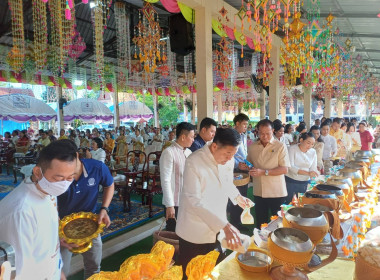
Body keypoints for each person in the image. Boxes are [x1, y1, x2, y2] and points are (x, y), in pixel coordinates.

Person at [176, 128, 253, 275]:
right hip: (194, 230)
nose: (230, 159)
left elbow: (227, 183)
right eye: (228, 154)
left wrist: (238, 197)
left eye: (234, 154)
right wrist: (224, 225)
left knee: (215, 270)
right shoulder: (194, 162)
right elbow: (194, 200)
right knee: (192, 272)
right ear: (215, 146)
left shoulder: (228, 161)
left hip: (218, 227)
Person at [0, 140, 77, 280]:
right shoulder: (21, 213)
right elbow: (19, 274)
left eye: (70, 177)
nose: (64, 184)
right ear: (37, 172)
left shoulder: (48, 190)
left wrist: (59, 271)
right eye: (59, 178)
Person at [58, 142, 114, 279]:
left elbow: (109, 185)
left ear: (77, 156)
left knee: (94, 266)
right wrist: (57, 228)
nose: (67, 174)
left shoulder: (97, 167)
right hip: (62, 227)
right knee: (60, 270)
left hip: (90, 224)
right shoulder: (57, 175)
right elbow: (48, 201)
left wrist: (104, 209)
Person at [244, 119, 290, 228]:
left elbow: (284, 169)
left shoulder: (280, 146)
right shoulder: (253, 147)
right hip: (259, 191)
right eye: (261, 133)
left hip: (276, 191)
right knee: (261, 221)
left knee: (277, 222)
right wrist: (245, 166)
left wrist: (264, 172)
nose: (264, 136)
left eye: (268, 133)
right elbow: (249, 164)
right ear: (257, 132)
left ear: (273, 131)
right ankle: (259, 243)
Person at [159, 122, 195, 232]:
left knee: (186, 231)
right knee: (174, 232)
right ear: (183, 137)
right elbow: (165, 180)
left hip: (187, 200)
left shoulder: (188, 152)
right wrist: (170, 205)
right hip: (175, 202)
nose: (193, 140)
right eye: (192, 137)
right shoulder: (169, 153)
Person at [285, 132, 319, 204]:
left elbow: (313, 167)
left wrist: (313, 173)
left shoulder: (313, 152)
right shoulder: (292, 149)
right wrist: (308, 173)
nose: (310, 146)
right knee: (290, 203)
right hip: (291, 180)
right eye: (308, 143)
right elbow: (290, 167)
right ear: (301, 140)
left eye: (312, 144)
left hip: (305, 181)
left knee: (303, 202)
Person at [229, 113, 250, 231]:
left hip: (243, 169)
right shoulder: (231, 136)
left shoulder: (243, 135)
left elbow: (243, 154)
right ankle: (234, 223)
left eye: (247, 124)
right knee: (235, 197)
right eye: (244, 124)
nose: (246, 127)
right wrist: (238, 165)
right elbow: (229, 154)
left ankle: (239, 222)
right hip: (235, 169)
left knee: (243, 196)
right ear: (237, 123)